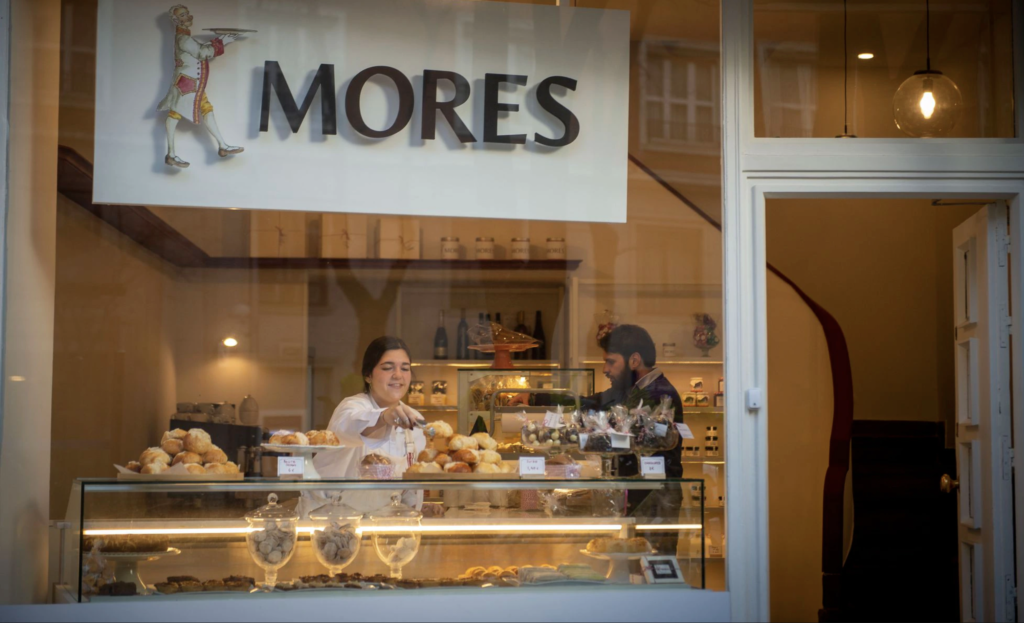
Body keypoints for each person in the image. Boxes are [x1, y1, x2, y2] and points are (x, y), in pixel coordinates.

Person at [297, 336, 428, 517]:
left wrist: (417, 508)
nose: (398, 375)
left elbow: (410, 484)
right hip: (334, 523)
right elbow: (350, 427)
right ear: (368, 375)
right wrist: (384, 417)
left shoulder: (415, 419)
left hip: (386, 524)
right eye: (387, 368)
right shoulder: (351, 407)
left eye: (405, 368)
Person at [590, 324, 684, 479]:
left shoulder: (660, 395)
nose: (605, 369)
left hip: (655, 490)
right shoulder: (630, 389)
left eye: (611, 362)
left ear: (634, 360)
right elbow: (592, 402)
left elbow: (654, 453)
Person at [157, 4, 244, 168]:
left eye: (187, 13)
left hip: (191, 83)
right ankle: (171, 154)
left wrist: (219, 40)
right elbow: (202, 52)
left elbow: (199, 49)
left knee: (205, 108)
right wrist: (222, 42)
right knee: (175, 113)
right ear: (176, 20)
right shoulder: (183, 39)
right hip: (187, 84)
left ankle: (222, 146)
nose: (187, 17)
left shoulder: (185, 38)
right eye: (183, 15)